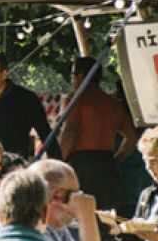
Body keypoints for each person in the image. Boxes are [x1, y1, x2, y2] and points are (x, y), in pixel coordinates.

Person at [59, 57, 138, 210]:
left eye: (73, 75)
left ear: (81, 76)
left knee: (78, 215)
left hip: (82, 165)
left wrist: (58, 161)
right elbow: (132, 136)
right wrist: (116, 160)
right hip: (107, 164)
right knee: (105, 217)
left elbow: (70, 132)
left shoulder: (75, 99)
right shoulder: (111, 103)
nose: (72, 80)